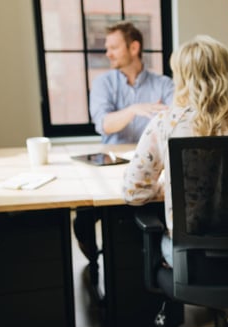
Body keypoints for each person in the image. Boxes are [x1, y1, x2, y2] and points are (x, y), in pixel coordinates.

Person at [122, 35, 228, 266]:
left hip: (191, 257)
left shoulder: (166, 123)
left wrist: (168, 187)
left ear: (182, 77)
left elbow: (133, 191)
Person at [75, 21, 175, 295]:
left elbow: (173, 118)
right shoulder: (103, 83)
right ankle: (94, 262)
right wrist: (134, 110)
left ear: (134, 47)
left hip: (153, 166)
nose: (108, 53)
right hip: (112, 164)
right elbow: (104, 124)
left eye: (113, 47)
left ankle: (149, 278)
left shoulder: (164, 83)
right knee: (82, 218)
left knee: (153, 207)